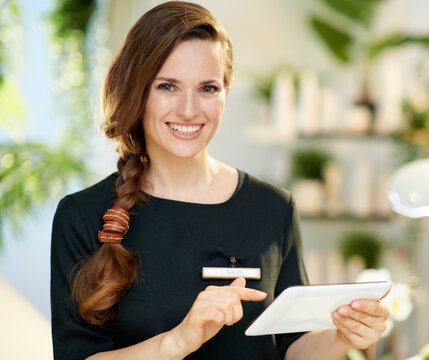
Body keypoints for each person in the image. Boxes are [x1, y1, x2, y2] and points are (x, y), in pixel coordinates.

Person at [50, 2, 390, 359]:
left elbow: (292, 347)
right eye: (168, 86)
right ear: (137, 90)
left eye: (207, 88)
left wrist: (343, 335)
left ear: (225, 93)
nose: (188, 110)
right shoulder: (83, 216)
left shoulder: (273, 209)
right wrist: (178, 340)